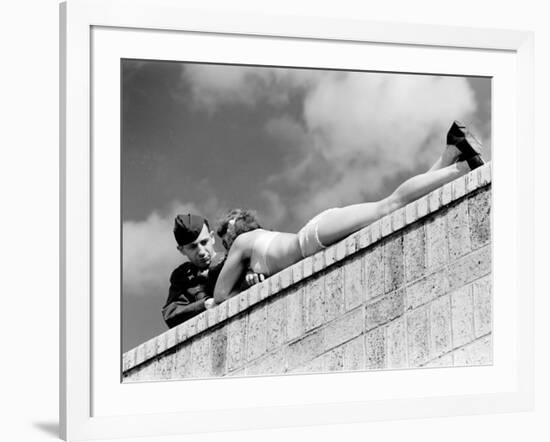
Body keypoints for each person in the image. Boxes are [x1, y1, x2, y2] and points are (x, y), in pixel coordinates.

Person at [210, 121, 485, 305]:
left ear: (232, 231)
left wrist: (241, 289)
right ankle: (451, 151)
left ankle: (461, 169)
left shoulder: (241, 244)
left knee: (388, 206)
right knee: (394, 208)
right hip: (316, 232)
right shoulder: (259, 242)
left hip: (311, 239)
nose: (226, 245)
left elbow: (220, 295)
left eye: (225, 238)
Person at [162, 214, 264, 328]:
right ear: (181, 250)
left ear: (212, 238)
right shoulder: (182, 276)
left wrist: (250, 274)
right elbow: (171, 314)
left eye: (204, 242)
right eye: (193, 247)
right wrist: (205, 304)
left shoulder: (231, 259)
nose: (201, 251)